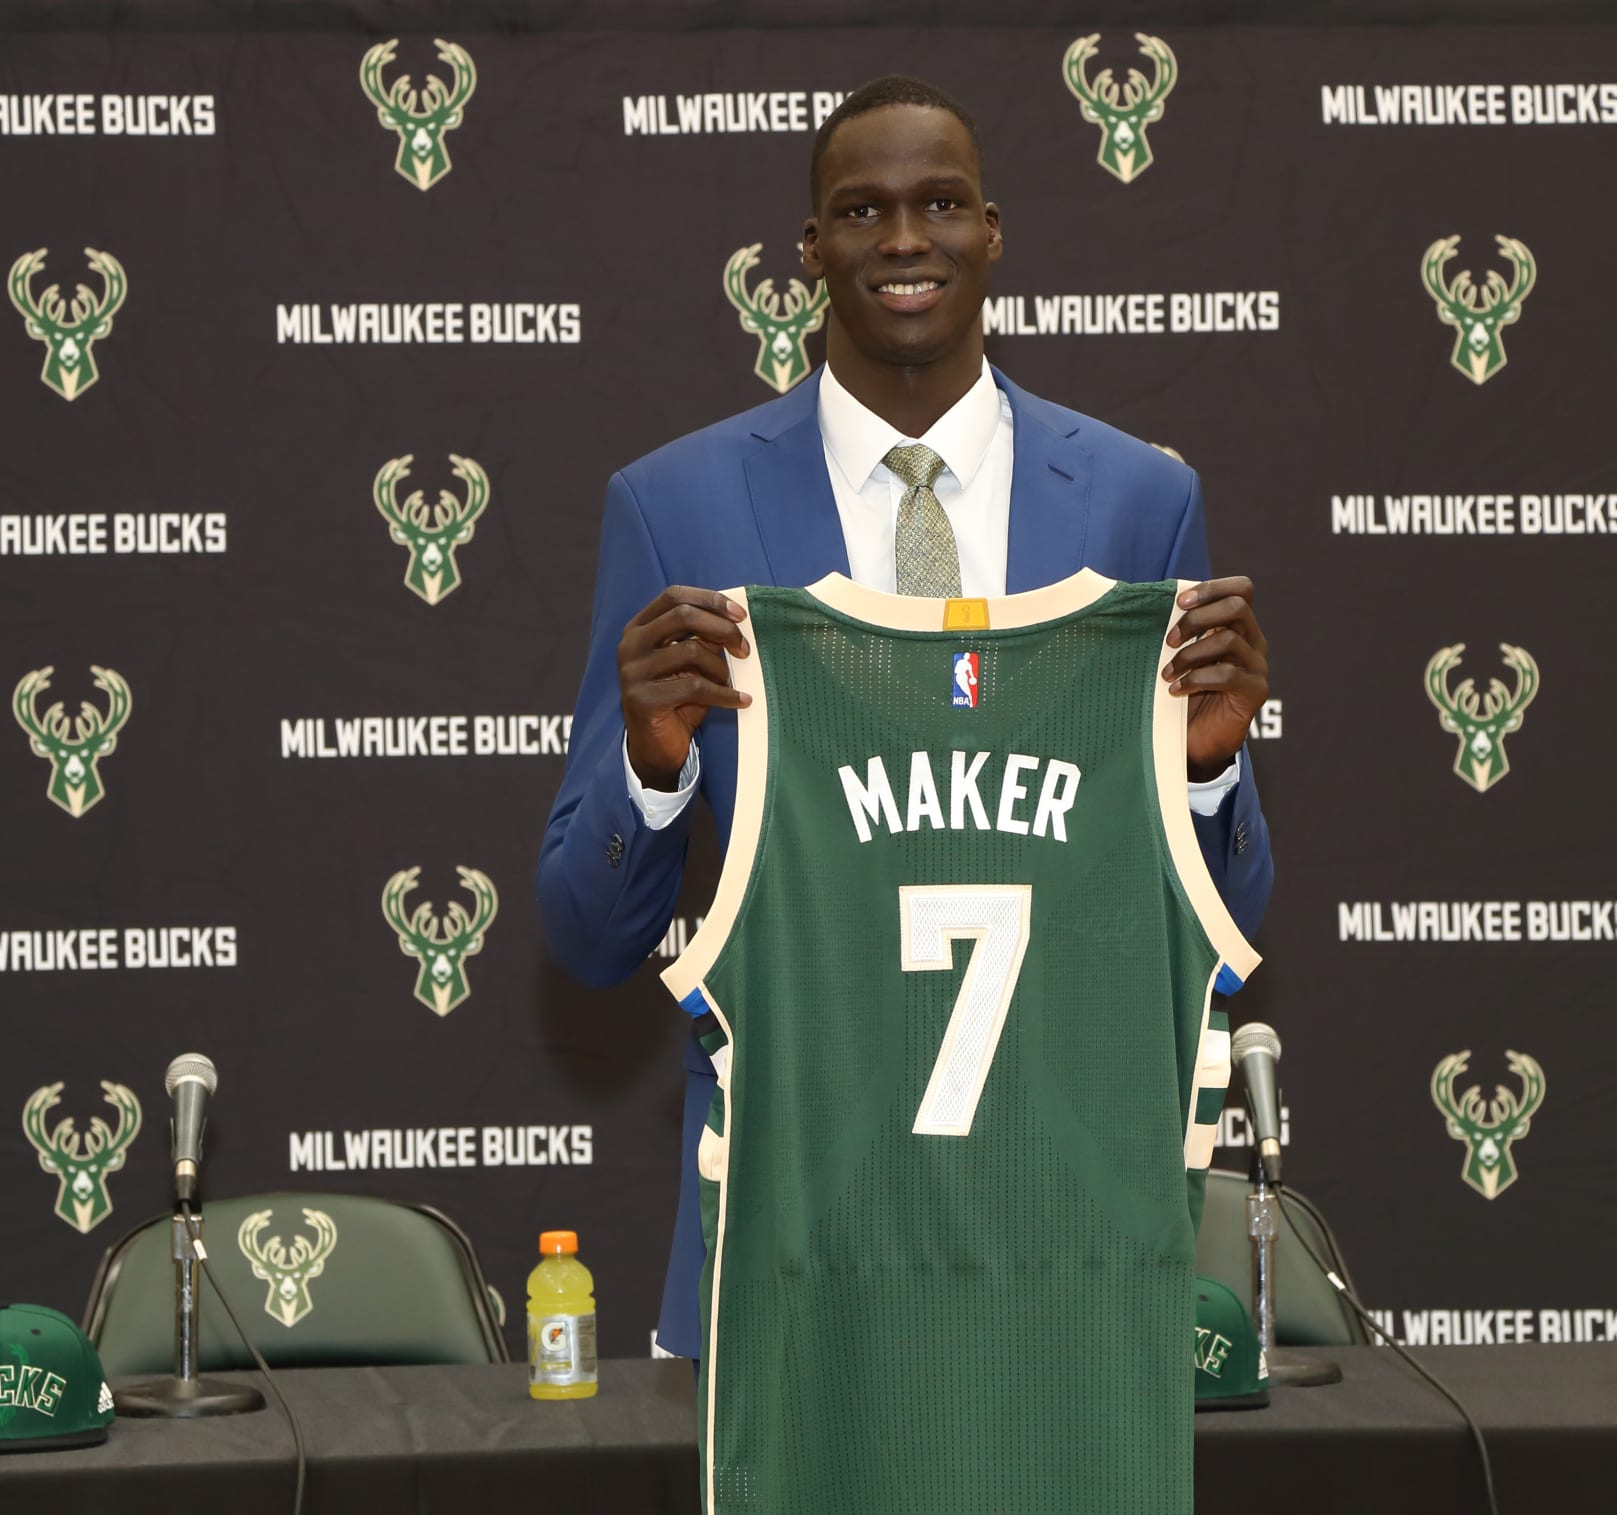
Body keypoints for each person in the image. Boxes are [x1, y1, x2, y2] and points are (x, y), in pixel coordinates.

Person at [537, 75, 1273, 1362]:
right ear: (808, 249)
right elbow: (588, 939)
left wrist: (1205, 778)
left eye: (939, 204)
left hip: (1062, 1207)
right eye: (860, 211)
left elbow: (1221, 933)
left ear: (992, 231)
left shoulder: (1137, 501)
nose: (903, 239)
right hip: (781, 1215)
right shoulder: (676, 504)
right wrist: (651, 776)